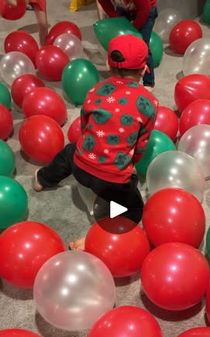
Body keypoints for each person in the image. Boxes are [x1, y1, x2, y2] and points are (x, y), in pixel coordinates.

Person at [32, 34, 158, 249]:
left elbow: (84, 128)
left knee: (69, 151)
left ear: (109, 65)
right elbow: (140, 146)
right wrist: (130, 166)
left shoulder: (93, 91)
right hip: (113, 181)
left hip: (80, 167)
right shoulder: (150, 103)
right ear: (143, 69)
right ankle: (94, 237)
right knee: (135, 210)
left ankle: (42, 180)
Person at [97, 0, 158, 91]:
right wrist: (117, 20)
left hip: (147, 10)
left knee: (142, 45)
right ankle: (123, 80)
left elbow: (144, 10)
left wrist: (132, 30)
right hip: (124, 9)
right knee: (122, 45)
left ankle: (148, 82)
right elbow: (106, 5)